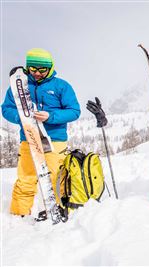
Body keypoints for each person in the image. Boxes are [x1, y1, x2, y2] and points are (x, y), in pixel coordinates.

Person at [1, 48, 81, 218]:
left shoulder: (61, 86)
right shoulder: (19, 86)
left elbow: (74, 111)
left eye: (42, 70)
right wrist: (21, 117)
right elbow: (6, 108)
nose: (37, 73)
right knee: (26, 178)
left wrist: (50, 116)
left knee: (56, 177)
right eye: (33, 69)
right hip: (29, 139)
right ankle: (19, 214)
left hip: (55, 139)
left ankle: (58, 209)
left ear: (50, 67)